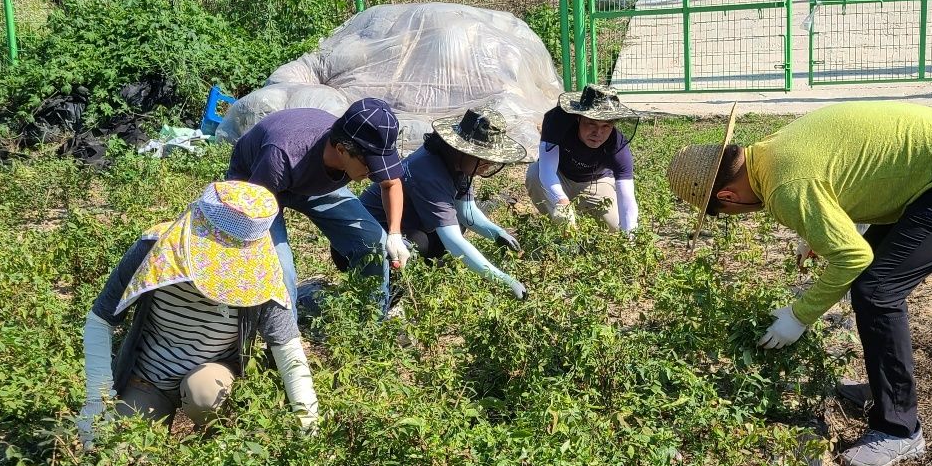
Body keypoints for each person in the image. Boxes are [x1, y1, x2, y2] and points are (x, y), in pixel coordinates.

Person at [665, 101, 932, 466]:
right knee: (873, 285)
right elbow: (842, 175)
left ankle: (899, 430)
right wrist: (819, 227)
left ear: (728, 198)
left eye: (729, 214)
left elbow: (852, 255)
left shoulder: (785, 185)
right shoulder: (769, 151)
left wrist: (798, 317)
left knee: (877, 291)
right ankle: (883, 393)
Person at [75, 181, 321, 447]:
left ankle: (219, 437)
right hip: (149, 375)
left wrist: (308, 425)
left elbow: (288, 349)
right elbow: (102, 318)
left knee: (203, 392)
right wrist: (97, 399)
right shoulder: (155, 249)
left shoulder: (264, 276)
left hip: (212, 377)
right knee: (118, 450)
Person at [225, 99, 410, 315]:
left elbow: (391, 183)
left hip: (308, 181)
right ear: (341, 149)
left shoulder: (354, 146)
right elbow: (256, 215)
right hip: (258, 182)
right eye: (370, 165)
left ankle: (370, 321)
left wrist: (394, 234)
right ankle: (284, 342)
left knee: (373, 239)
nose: (373, 173)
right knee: (279, 268)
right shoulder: (282, 154)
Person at [357, 107, 532, 299]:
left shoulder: (458, 165)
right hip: (365, 242)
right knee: (420, 244)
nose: (487, 164)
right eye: (482, 158)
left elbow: (467, 212)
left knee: (452, 227)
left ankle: (419, 283)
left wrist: (498, 234)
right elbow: (453, 241)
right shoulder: (428, 171)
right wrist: (504, 280)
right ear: (461, 149)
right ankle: (384, 296)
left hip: (406, 226)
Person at [525, 84, 641, 233]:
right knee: (534, 173)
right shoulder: (557, 122)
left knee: (615, 227)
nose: (598, 133)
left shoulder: (618, 147)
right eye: (591, 123)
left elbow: (627, 196)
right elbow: (547, 169)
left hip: (597, 181)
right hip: (560, 175)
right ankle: (559, 229)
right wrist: (561, 201)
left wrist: (630, 238)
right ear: (579, 118)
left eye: (606, 126)